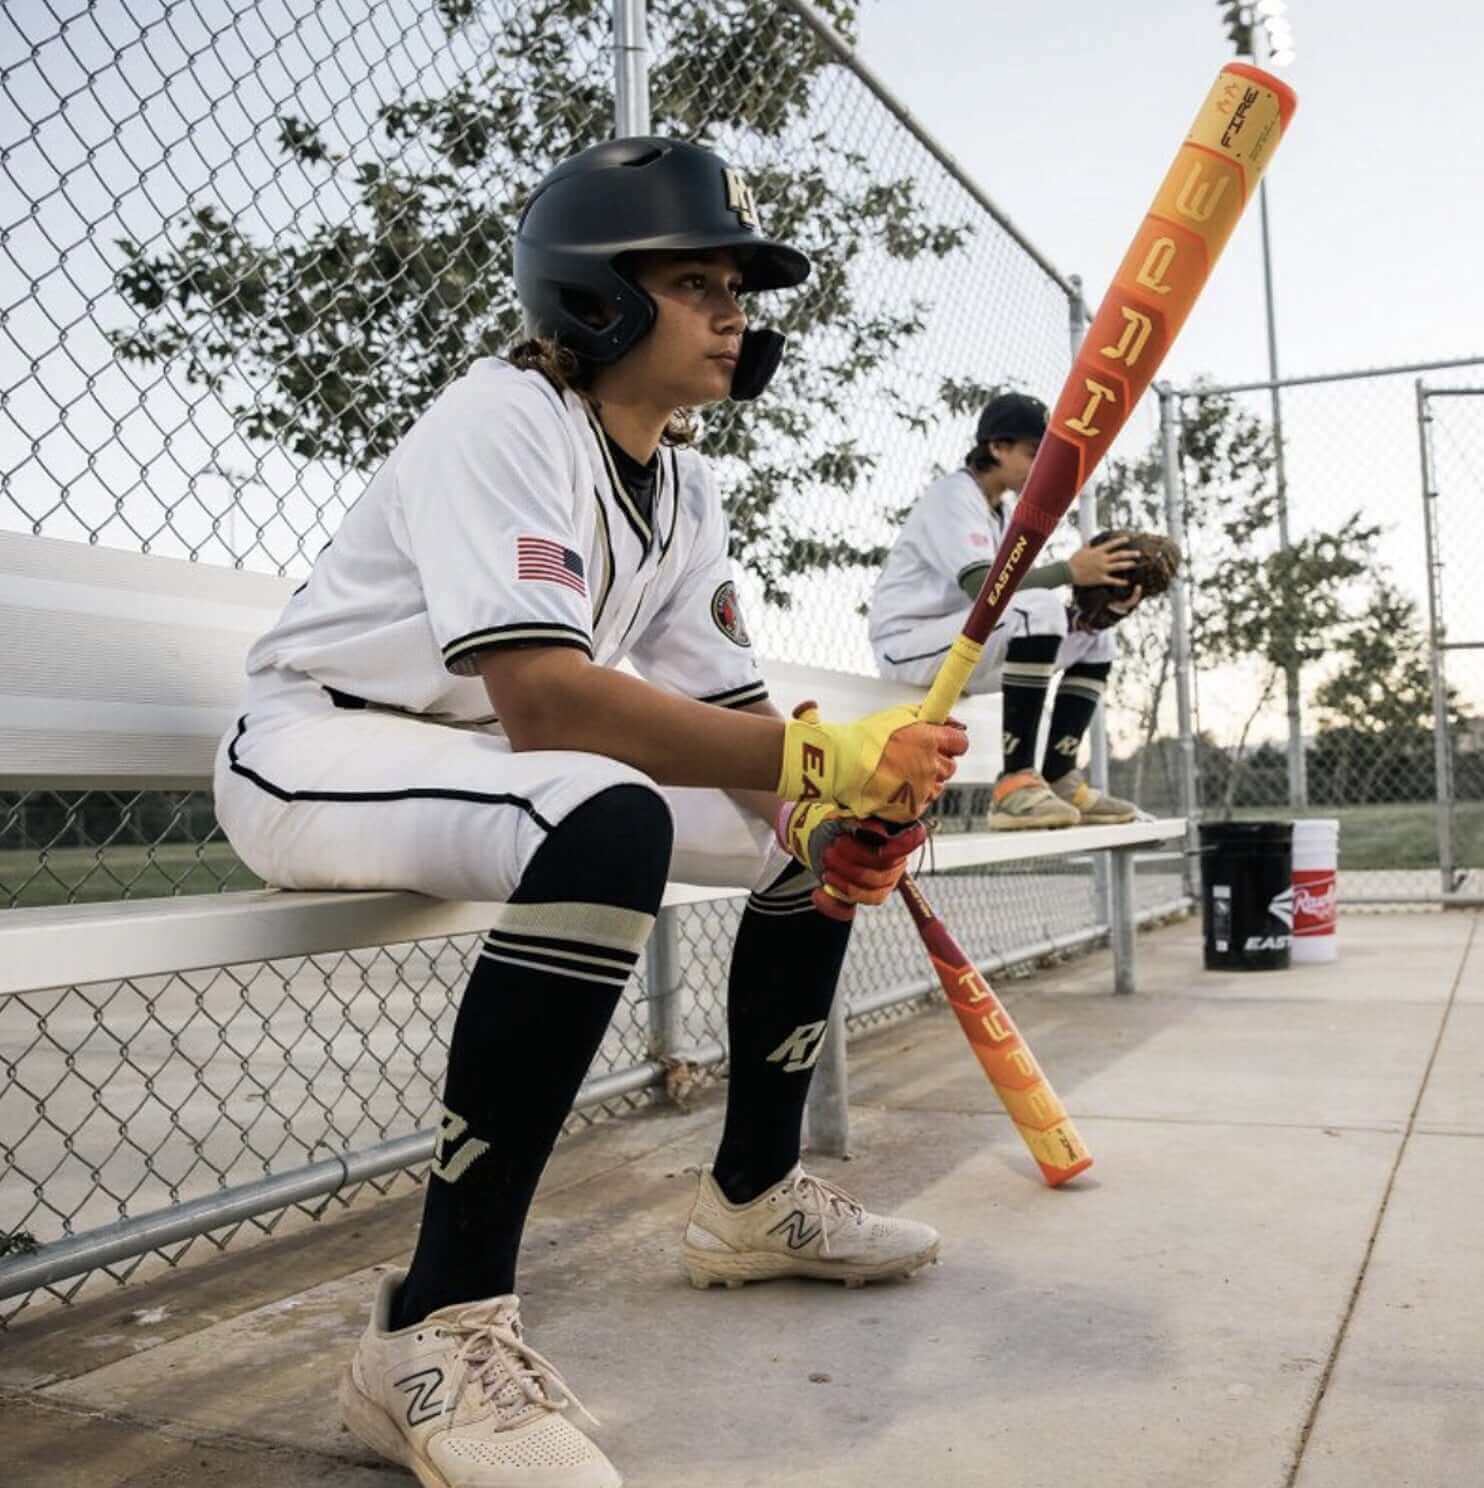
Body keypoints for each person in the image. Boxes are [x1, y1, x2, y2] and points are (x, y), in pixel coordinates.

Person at [212, 137, 965, 1488]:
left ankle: (750, 1198)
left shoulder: (687, 482)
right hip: (322, 752)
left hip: (505, 777)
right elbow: (548, 703)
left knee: (792, 837)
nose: (738, 311)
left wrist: (840, 804)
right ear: (595, 299)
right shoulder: (502, 416)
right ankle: (436, 1330)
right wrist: (818, 762)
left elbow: (734, 727)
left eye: (742, 284)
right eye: (699, 281)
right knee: (609, 813)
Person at [869, 392, 1143, 830]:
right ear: (996, 447)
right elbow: (983, 587)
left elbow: (1007, 599)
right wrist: (1070, 572)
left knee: (1095, 637)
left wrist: (1100, 610)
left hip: (962, 649)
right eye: (1034, 453)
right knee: (1040, 607)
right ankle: (1013, 785)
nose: (1042, 467)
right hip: (909, 646)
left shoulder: (1002, 511)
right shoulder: (953, 495)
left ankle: (1058, 776)